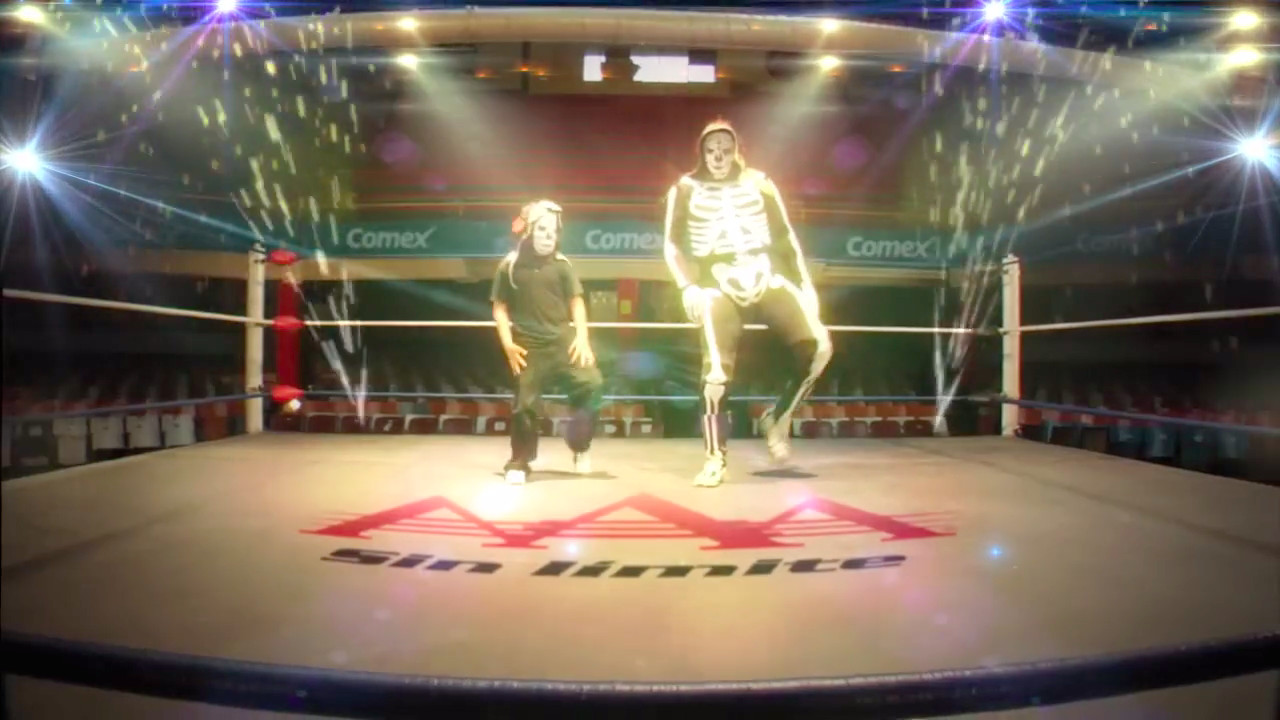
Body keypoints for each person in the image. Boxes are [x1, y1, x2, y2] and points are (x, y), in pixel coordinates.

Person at [661, 119, 833, 487]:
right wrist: (687, 287)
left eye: (725, 148)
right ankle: (714, 458)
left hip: (765, 274)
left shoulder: (760, 183)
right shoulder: (685, 188)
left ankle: (779, 418)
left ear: (737, 150)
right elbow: (672, 244)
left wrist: (805, 287)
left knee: (819, 347)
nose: (718, 156)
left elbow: (786, 237)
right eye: (711, 149)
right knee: (715, 376)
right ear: (702, 152)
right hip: (717, 283)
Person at [491, 199, 603, 485]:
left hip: (563, 341)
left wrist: (582, 338)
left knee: (592, 383)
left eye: (553, 230)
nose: (548, 236)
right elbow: (500, 307)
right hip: (528, 345)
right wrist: (508, 344)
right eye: (542, 229)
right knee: (525, 403)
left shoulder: (563, 266)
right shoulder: (509, 266)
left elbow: (576, 302)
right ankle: (520, 461)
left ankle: (580, 445)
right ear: (529, 230)